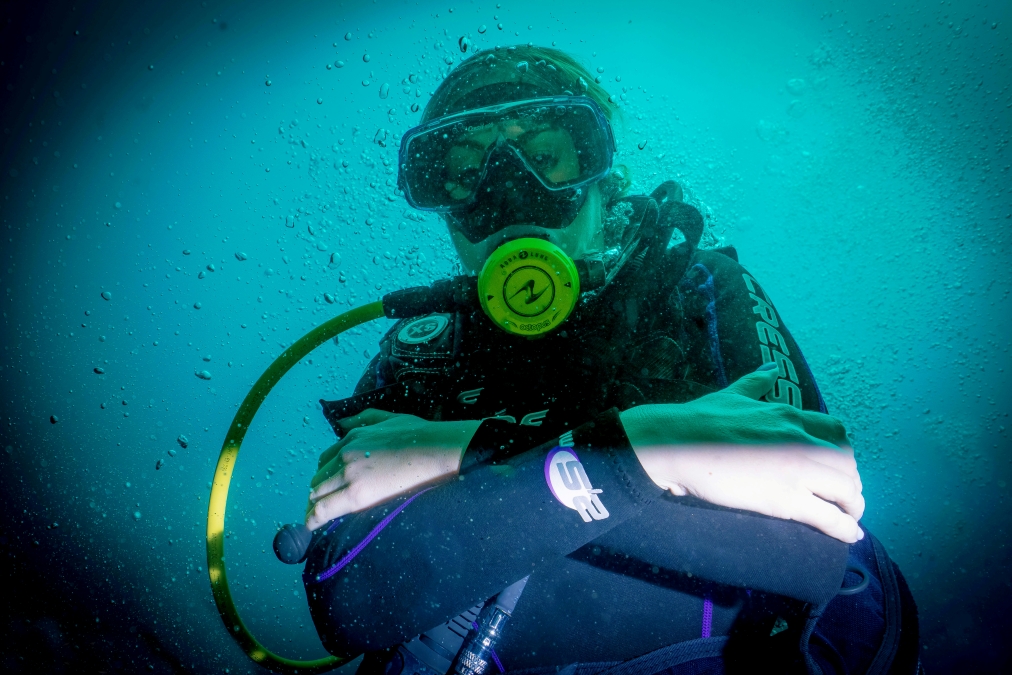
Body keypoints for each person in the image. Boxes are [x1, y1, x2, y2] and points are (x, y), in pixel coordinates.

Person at [293, 45, 920, 674]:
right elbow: (348, 599)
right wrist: (650, 455)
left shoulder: (698, 289)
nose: (510, 196)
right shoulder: (422, 355)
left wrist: (463, 455)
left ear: (602, 177)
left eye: (545, 159)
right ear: (444, 206)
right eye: (463, 171)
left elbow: (810, 550)